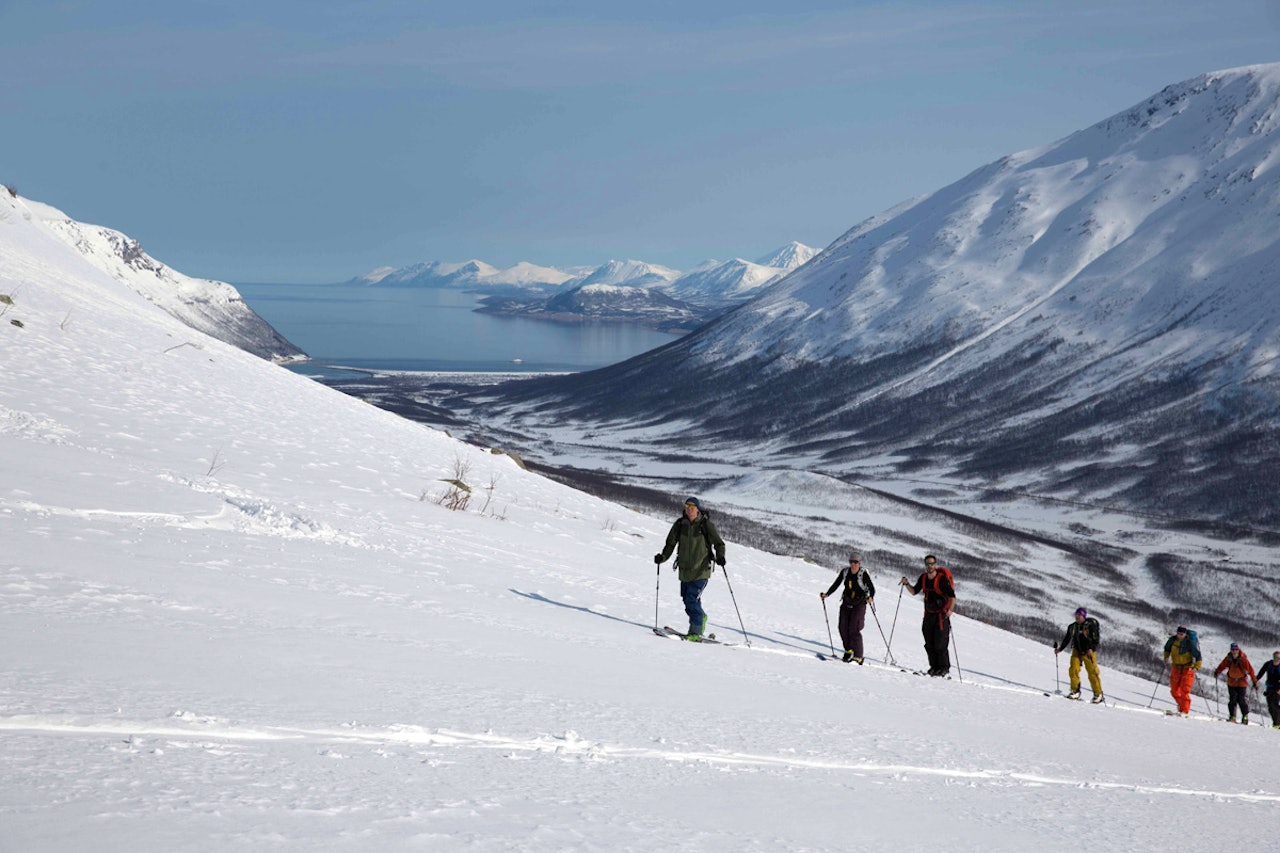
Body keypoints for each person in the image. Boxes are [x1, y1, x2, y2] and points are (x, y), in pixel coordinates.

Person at [654, 497, 725, 641]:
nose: (689, 509)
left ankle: (696, 631)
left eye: (692, 507)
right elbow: (670, 543)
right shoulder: (680, 524)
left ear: (698, 509)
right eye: (687, 506)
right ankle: (701, 618)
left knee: (692, 599)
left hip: (701, 570)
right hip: (685, 571)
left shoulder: (705, 525)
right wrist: (663, 557)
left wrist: (720, 557)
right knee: (687, 600)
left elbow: (719, 544)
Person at [900, 555, 955, 676]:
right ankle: (934, 667)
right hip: (928, 615)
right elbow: (914, 591)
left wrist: (950, 610)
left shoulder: (941, 579)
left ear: (935, 565)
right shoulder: (924, 578)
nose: (929, 566)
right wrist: (906, 584)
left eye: (931, 564)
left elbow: (952, 596)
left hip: (941, 616)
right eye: (927, 564)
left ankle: (944, 668)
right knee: (929, 643)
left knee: (940, 643)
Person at [821, 554, 876, 663]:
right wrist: (827, 594)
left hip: (859, 603)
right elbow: (836, 584)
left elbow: (871, 588)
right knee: (842, 627)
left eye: (855, 562)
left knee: (854, 628)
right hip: (846, 601)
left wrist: (871, 597)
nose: (853, 564)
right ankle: (848, 650)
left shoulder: (862, 573)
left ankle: (858, 656)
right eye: (851, 561)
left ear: (859, 563)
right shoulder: (845, 572)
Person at [1054, 607, 1104, 703]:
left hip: (1089, 652)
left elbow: (1096, 639)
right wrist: (1060, 649)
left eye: (1079, 615)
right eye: (1076, 615)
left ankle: (1098, 694)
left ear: (1084, 616)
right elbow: (1067, 639)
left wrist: (1092, 649)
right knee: (1073, 669)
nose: (1077, 617)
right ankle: (1075, 691)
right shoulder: (1072, 627)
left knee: (1092, 673)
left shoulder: (1090, 626)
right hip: (1077, 650)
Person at [1213, 643, 1258, 724]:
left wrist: (1255, 681)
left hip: (1241, 683)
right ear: (1230, 650)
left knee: (1241, 700)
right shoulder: (1228, 659)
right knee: (1232, 700)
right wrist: (1217, 671)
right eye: (1233, 649)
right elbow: (1222, 665)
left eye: (1236, 649)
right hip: (1231, 682)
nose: (1234, 651)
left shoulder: (1243, 660)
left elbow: (1251, 671)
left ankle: (1245, 716)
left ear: (1238, 650)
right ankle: (1232, 716)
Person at [1162, 625, 1202, 715]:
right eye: (1178, 633)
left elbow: (1198, 656)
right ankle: (1182, 706)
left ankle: (1185, 711)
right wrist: (1166, 657)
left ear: (1185, 634)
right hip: (1176, 668)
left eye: (1182, 634)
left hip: (1187, 669)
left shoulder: (1189, 643)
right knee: (1174, 691)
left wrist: (1196, 667)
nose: (1180, 635)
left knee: (1185, 691)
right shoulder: (1172, 640)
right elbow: (1167, 649)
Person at [1256, 650, 1280, 729]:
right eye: (1275, 657)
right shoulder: (1268, 664)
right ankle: (1276, 723)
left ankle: (1277, 724)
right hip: (1269, 687)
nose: (1276, 659)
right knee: (1270, 707)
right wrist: (1255, 680)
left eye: (1278, 657)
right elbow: (1261, 672)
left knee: (1274, 705)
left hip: (1278, 689)